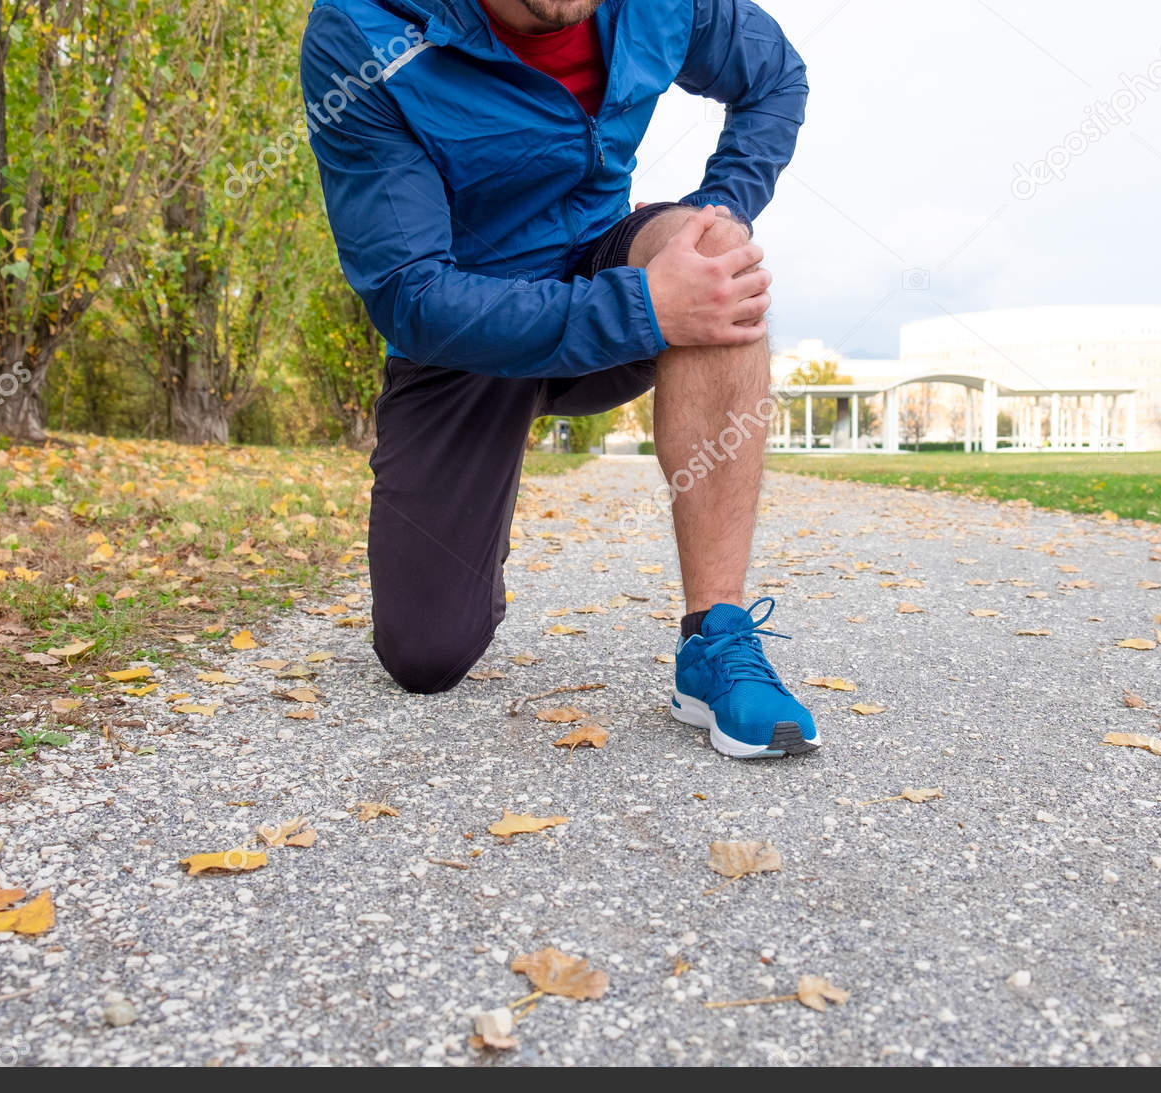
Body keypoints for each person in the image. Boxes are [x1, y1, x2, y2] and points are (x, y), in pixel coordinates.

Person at [301, 0, 819, 757]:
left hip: (600, 266)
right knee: (425, 654)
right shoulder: (361, 30)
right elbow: (411, 295)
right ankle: (474, 525)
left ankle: (718, 638)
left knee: (710, 257)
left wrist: (723, 206)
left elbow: (775, 76)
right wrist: (640, 308)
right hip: (466, 331)